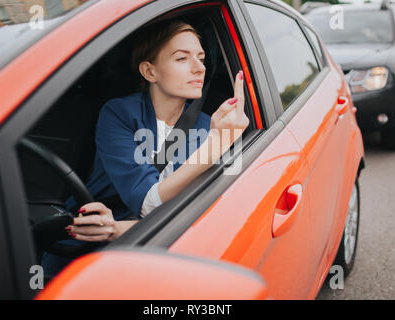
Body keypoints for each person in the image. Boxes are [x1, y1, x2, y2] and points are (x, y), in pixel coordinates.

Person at [41, 19, 249, 275]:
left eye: (202, 58)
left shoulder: (213, 126)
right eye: (182, 59)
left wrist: (118, 229)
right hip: (88, 247)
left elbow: (210, 213)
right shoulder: (119, 114)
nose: (199, 69)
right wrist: (216, 144)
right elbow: (148, 202)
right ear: (150, 72)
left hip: (163, 248)